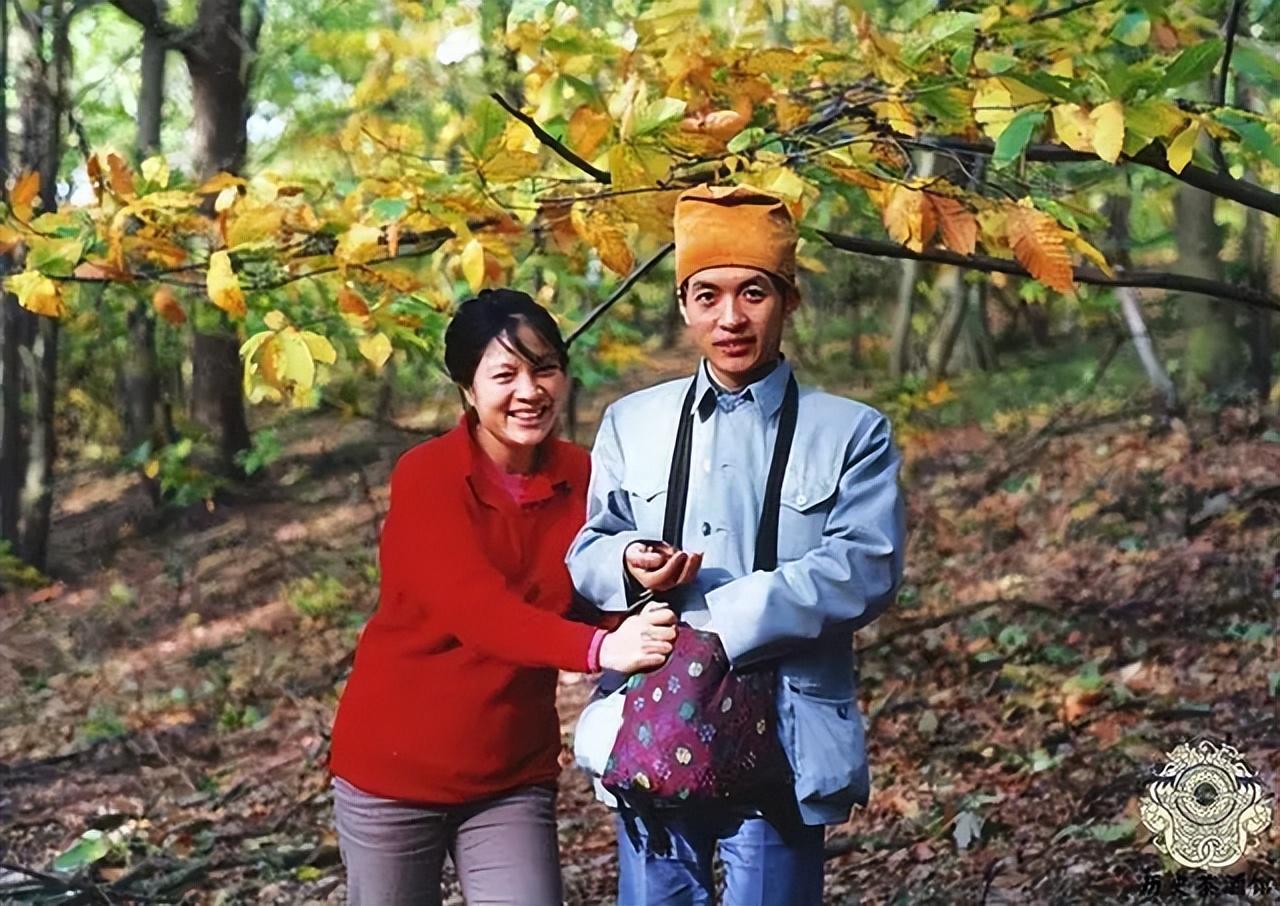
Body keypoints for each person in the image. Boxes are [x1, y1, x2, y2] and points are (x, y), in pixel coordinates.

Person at [567, 185, 907, 906]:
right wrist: (629, 563)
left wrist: (728, 616)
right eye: (708, 295)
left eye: (753, 292)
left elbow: (865, 566)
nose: (730, 318)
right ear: (683, 304)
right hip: (657, 719)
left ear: (789, 300)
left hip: (783, 733)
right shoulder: (632, 422)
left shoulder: (851, 431)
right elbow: (588, 550)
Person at [329, 288, 677, 906]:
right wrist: (601, 649)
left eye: (544, 368)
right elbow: (478, 611)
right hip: (395, 772)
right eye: (505, 374)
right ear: (468, 388)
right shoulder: (428, 476)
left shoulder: (583, 474)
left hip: (510, 772)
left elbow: (588, 592)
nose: (529, 390)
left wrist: (636, 575)